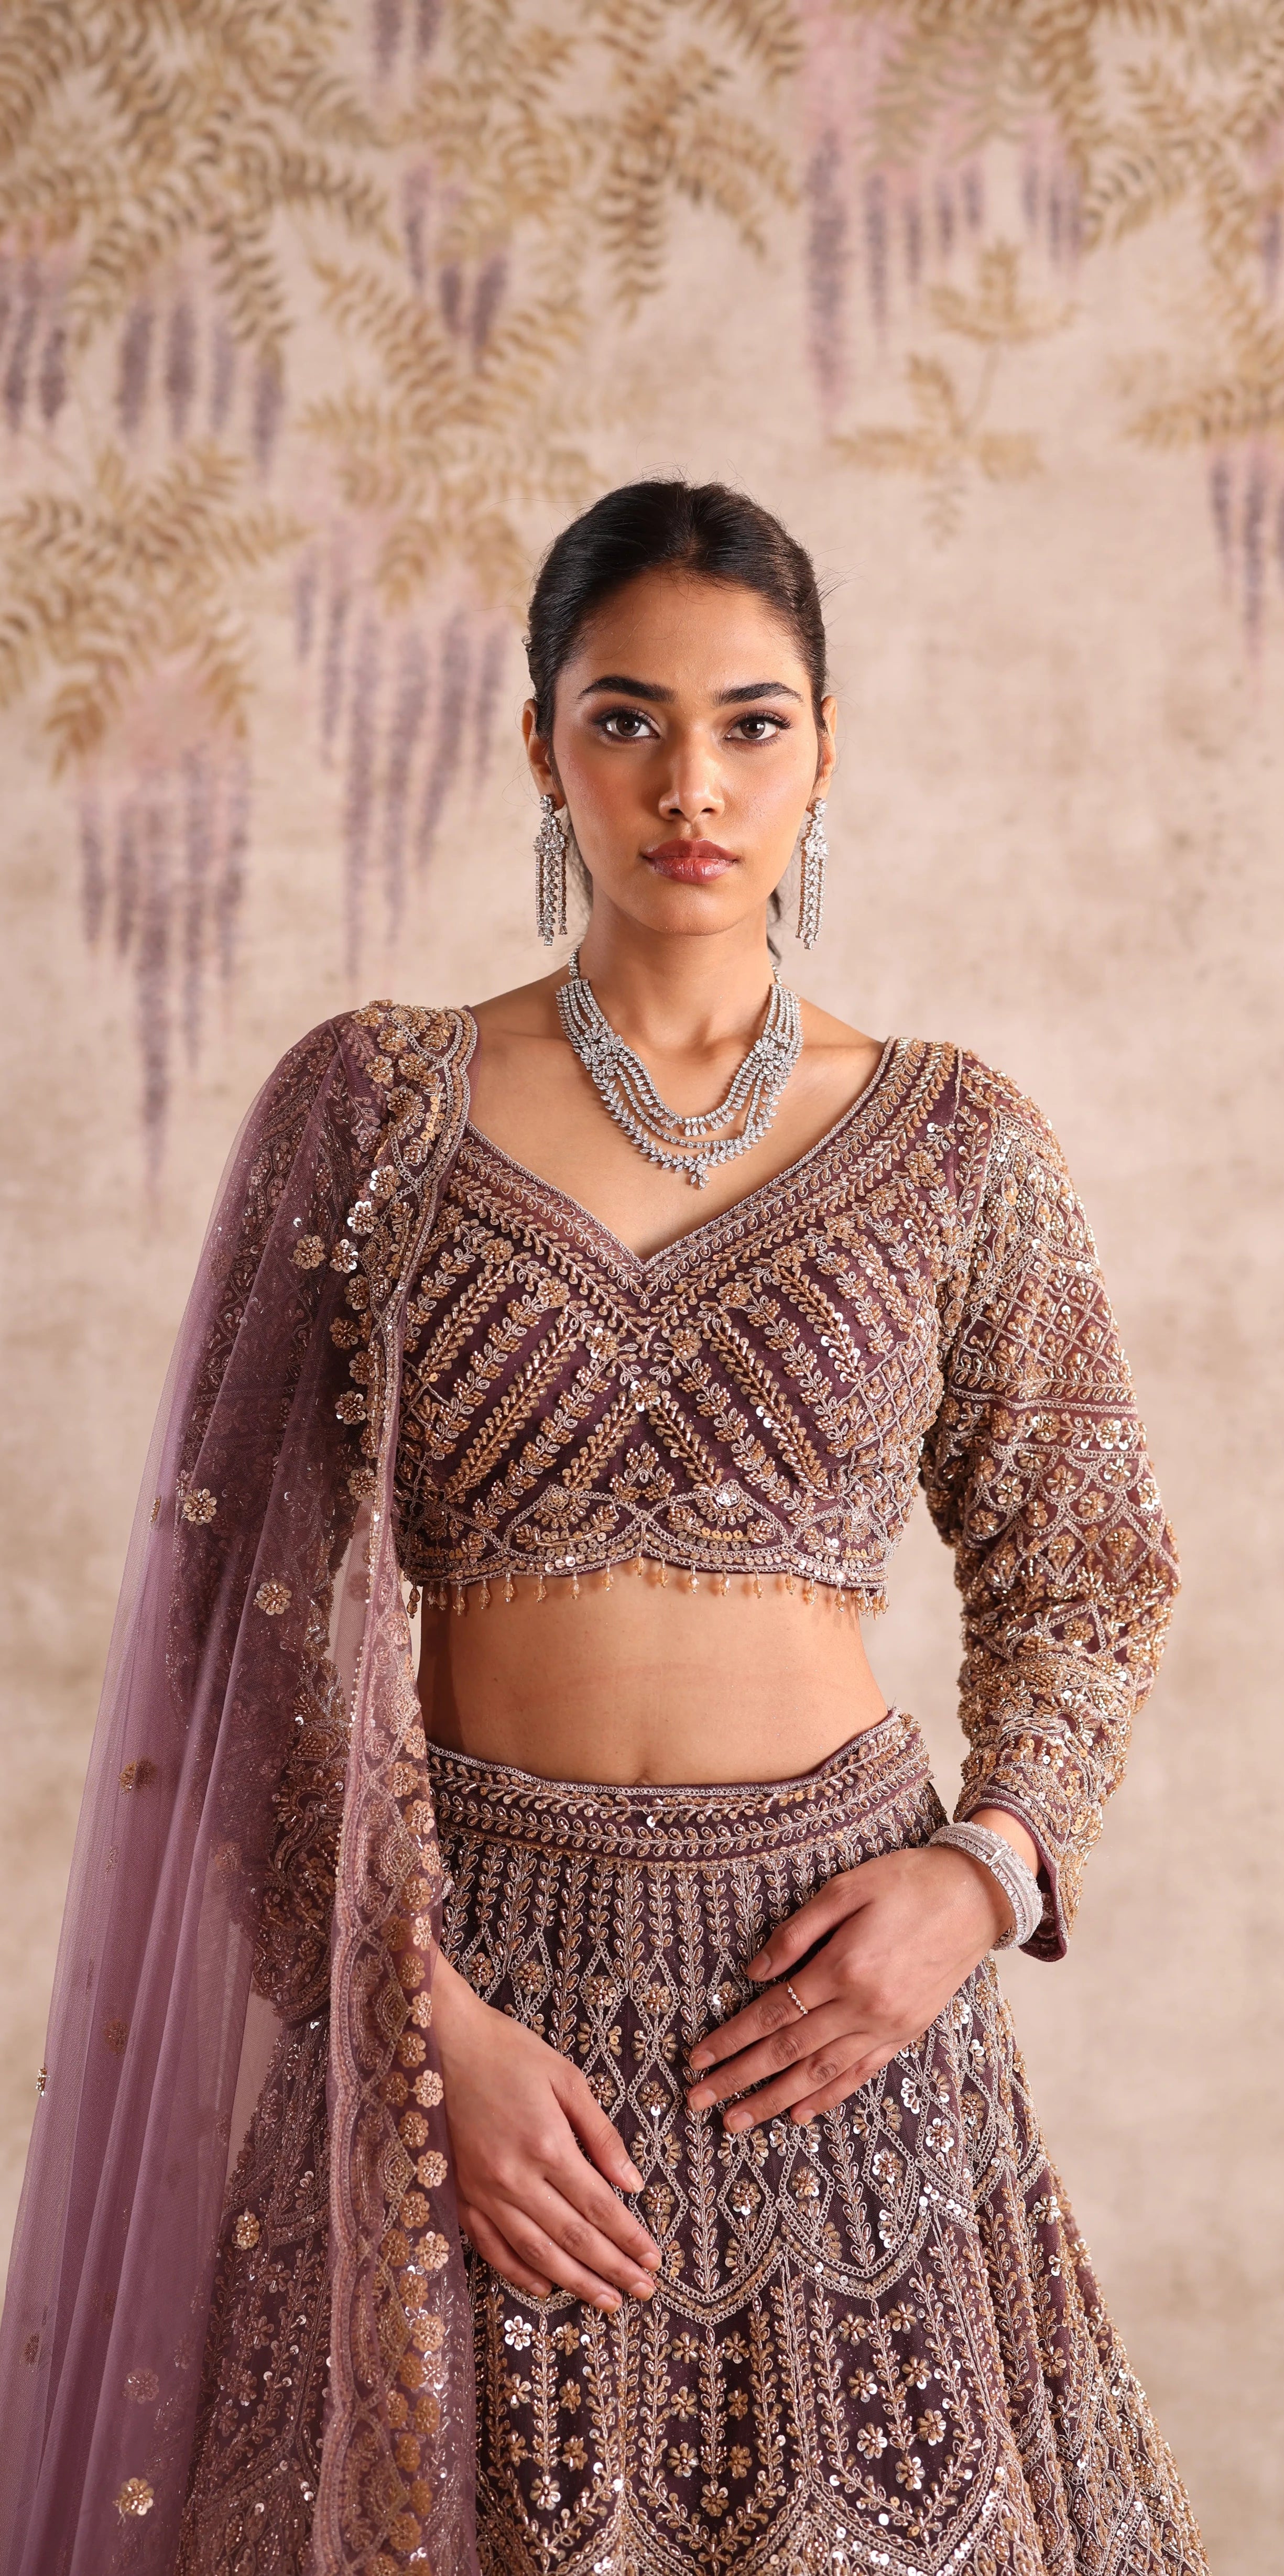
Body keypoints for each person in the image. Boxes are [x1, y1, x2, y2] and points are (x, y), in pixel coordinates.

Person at [0, 482, 1207, 2576]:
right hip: (465, 1996)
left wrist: (982, 1874)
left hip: (830, 2006)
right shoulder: (373, 1112)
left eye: (750, 723)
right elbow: (232, 1639)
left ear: (826, 744)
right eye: (626, 718)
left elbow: (1080, 1558)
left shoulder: (956, 1141)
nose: (690, 784)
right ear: (540, 743)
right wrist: (418, 2026)